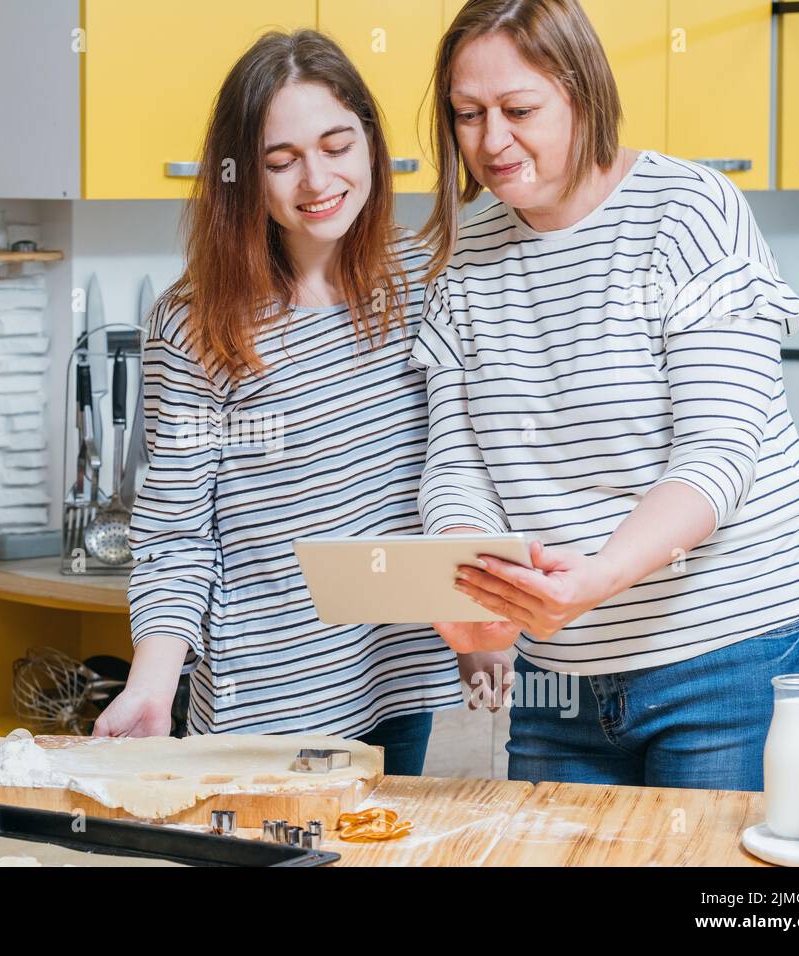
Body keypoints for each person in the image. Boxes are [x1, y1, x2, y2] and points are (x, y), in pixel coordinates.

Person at [413, 0, 799, 790]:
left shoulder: (688, 211)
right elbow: (457, 466)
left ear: (583, 92)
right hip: (560, 679)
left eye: (519, 110)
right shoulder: (464, 257)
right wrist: (471, 578)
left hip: (739, 650)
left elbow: (718, 455)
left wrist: (596, 577)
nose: (490, 141)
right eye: (467, 114)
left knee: (737, 909)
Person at [93, 29, 507, 775]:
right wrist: (153, 684)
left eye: (337, 146)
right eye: (280, 162)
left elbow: (460, 465)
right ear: (242, 177)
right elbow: (176, 536)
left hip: (398, 677)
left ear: (372, 145)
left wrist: (476, 633)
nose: (316, 180)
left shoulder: (426, 280)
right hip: (267, 705)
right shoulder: (195, 325)